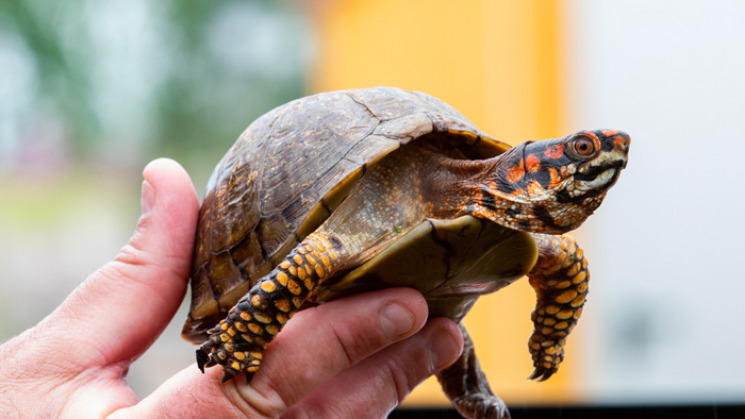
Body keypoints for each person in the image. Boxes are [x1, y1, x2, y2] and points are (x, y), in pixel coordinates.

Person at [0, 159, 463, 418]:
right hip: (303, 250)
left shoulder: (511, 220)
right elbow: (312, 254)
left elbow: (539, 250)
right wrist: (244, 334)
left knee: (437, 333)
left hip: (424, 297)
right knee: (318, 261)